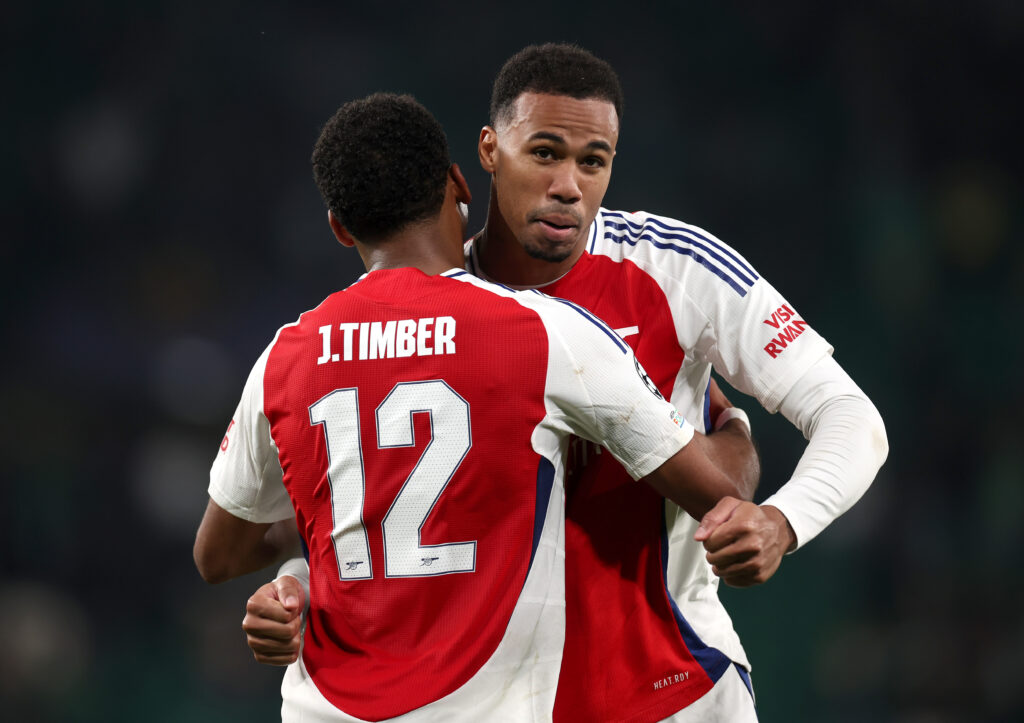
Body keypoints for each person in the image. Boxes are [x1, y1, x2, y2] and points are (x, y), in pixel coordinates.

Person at [244, 44, 889, 722]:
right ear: (489, 152)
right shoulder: (424, 319)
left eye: (593, 161)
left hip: (676, 691)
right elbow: (386, 514)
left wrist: (784, 522)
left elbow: (851, 415)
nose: (568, 186)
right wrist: (298, 584)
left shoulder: (674, 268)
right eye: (545, 153)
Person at [194, 92, 758, 722]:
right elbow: (720, 494)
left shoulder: (285, 357)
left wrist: (315, 555)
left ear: (340, 227)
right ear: (460, 185)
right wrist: (730, 423)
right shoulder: (547, 332)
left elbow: (219, 554)